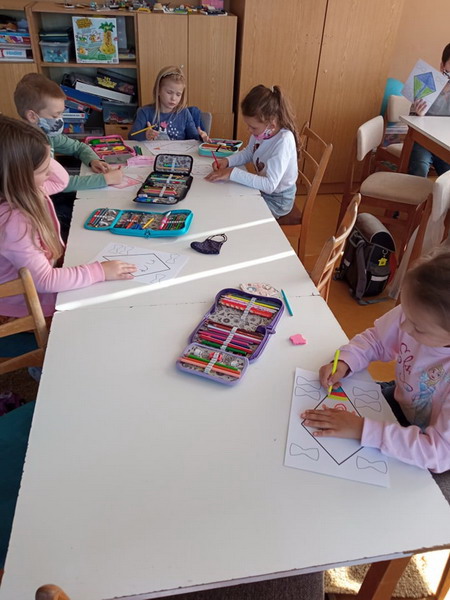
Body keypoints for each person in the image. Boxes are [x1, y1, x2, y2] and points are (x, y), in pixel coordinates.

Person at [301, 248, 450, 473]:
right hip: (402, 401)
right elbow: (377, 340)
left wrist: (362, 429)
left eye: (418, 328)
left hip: (430, 448)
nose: (403, 327)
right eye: (405, 314)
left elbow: (438, 453)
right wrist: (346, 362)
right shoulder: (417, 311)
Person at [0, 116, 137, 318]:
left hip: (41, 278)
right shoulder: (15, 222)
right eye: (44, 170)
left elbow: (61, 181)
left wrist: (44, 146)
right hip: (26, 305)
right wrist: (100, 272)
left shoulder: (24, 189)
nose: (50, 173)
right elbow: (45, 281)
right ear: (18, 176)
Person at [14, 73, 123, 240]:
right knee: (86, 223)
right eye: (55, 116)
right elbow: (60, 184)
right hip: (40, 207)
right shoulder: (27, 147)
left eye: (61, 114)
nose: (60, 120)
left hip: (50, 196)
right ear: (32, 116)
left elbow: (78, 147)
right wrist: (105, 180)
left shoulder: (46, 134)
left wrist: (93, 160)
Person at [205, 84, 299, 218]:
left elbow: (270, 185)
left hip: (278, 201)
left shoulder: (283, 141)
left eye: (253, 127)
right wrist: (227, 161)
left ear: (271, 124)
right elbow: (249, 152)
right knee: (230, 200)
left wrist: (232, 173)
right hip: (264, 191)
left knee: (236, 213)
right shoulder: (262, 133)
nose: (249, 130)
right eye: (248, 125)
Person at [129, 65, 209, 142]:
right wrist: (145, 135)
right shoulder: (144, 112)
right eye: (169, 92)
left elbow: (194, 138)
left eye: (178, 94)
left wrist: (202, 136)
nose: (173, 98)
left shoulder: (184, 113)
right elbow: (131, 136)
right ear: (158, 90)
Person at [408, 43, 450, 178]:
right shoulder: (427, 83)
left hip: (444, 144)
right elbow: (410, 121)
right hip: (422, 141)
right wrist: (418, 114)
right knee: (419, 167)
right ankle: (414, 192)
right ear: (442, 66)